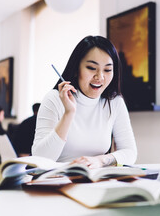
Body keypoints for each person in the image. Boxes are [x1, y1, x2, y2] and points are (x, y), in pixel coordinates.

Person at [32, 35, 137, 168]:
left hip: (95, 180)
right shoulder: (54, 99)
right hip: (57, 179)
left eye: (108, 70)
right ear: (76, 69)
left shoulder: (114, 102)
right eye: (92, 68)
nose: (100, 77)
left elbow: (130, 152)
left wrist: (100, 160)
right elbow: (41, 158)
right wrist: (69, 114)